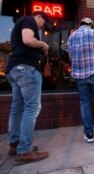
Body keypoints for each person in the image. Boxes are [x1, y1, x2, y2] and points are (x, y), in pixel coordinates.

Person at [5, 11, 50, 165]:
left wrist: (39, 51)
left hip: (15, 69)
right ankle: (24, 150)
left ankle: (15, 144)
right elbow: (28, 40)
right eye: (44, 23)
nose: (42, 27)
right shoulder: (29, 20)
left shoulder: (22, 23)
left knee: (17, 107)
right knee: (32, 107)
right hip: (26, 69)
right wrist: (43, 44)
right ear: (39, 17)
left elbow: (25, 44)